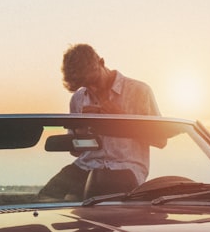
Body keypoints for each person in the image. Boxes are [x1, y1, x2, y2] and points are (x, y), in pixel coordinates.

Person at [40, 44, 160, 200]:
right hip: (86, 165)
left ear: (102, 63)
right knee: (46, 198)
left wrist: (122, 118)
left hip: (125, 168)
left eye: (95, 82)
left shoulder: (139, 91)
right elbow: (75, 152)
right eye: (86, 86)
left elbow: (160, 140)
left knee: (77, 198)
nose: (93, 89)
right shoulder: (78, 98)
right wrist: (82, 131)